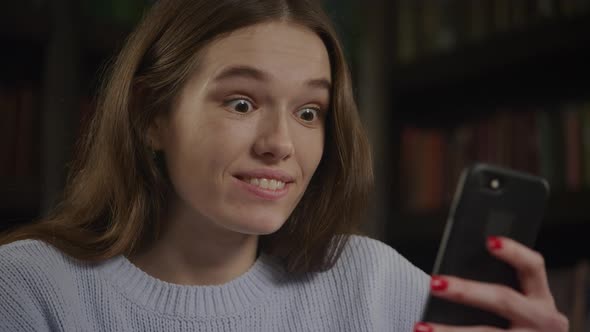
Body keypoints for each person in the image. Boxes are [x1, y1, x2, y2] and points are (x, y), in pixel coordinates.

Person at [0, 0, 568, 331]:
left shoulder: (373, 284)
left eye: (308, 112)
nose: (280, 144)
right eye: (241, 103)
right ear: (152, 115)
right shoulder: (31, 288)